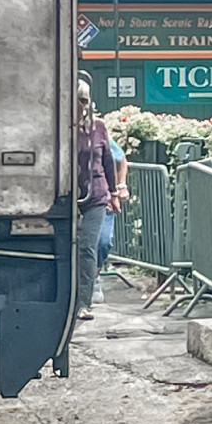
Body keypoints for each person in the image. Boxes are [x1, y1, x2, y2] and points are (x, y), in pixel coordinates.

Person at [76, 78, 117, 320]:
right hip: (69, 195)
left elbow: (109, 161)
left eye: (84, 100)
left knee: (88, 247)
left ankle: (84, 302)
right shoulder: (61, 127)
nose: (81, 105)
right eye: (77, 100)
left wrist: (113, 192)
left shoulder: (99, 127)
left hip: (96, 194)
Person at [93, 138, 128, 302]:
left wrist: (121, 187)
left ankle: (94, 277)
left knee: (103, 241)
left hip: (104, 197)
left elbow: (121, 159)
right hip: (78, 197)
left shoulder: (99, 130)